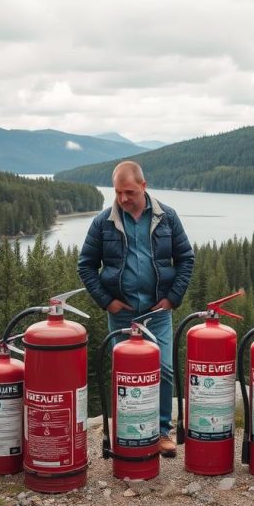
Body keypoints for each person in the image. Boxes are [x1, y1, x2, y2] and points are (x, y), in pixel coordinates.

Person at [78, 161, 195, 458]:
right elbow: (86, 266)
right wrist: (108, 302)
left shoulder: (167, 218)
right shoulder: (103, 222)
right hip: (122, 314)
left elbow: (186, 259)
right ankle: (127, 432)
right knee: (124, 375)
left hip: (157, 313)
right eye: (118, 192)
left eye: (129, 191)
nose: (123, 198)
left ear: (143, 185)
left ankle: (162, 431)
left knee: (165, 370)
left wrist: (172, 299)